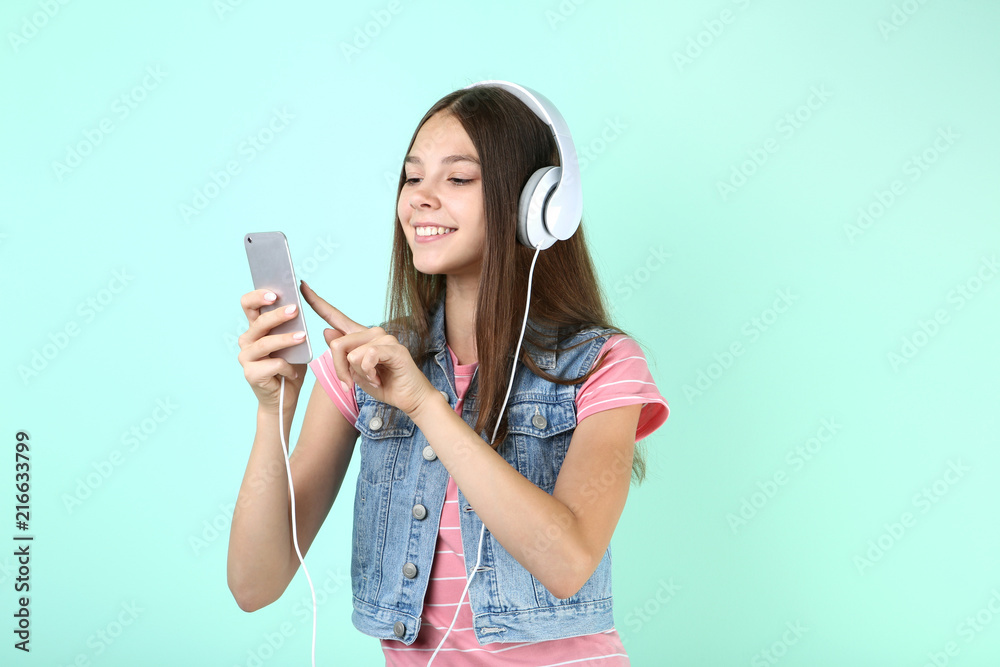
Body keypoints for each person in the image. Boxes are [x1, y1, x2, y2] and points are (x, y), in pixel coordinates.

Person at [228, 82, 669, 665]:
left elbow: (568, 562)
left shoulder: (605, 364)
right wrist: (273, 412)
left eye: (457, 178)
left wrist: (425, 405)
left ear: (539, 206)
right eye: (412, 178)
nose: (421, 198)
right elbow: (254, 586)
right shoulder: (364, 367)